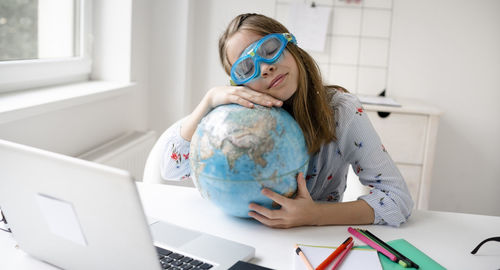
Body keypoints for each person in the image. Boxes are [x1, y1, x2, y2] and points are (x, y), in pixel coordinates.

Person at [160, 13, 413, 228]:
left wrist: (315, 215)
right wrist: (208, 100)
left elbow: (397, 199)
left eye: (269, 50)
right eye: (246, 68)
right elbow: (171, 169)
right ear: (239, 84)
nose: (264, 68)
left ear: (291, 45)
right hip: (244, 234)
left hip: (313, 241)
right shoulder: (232, 116)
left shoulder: (340, 111)